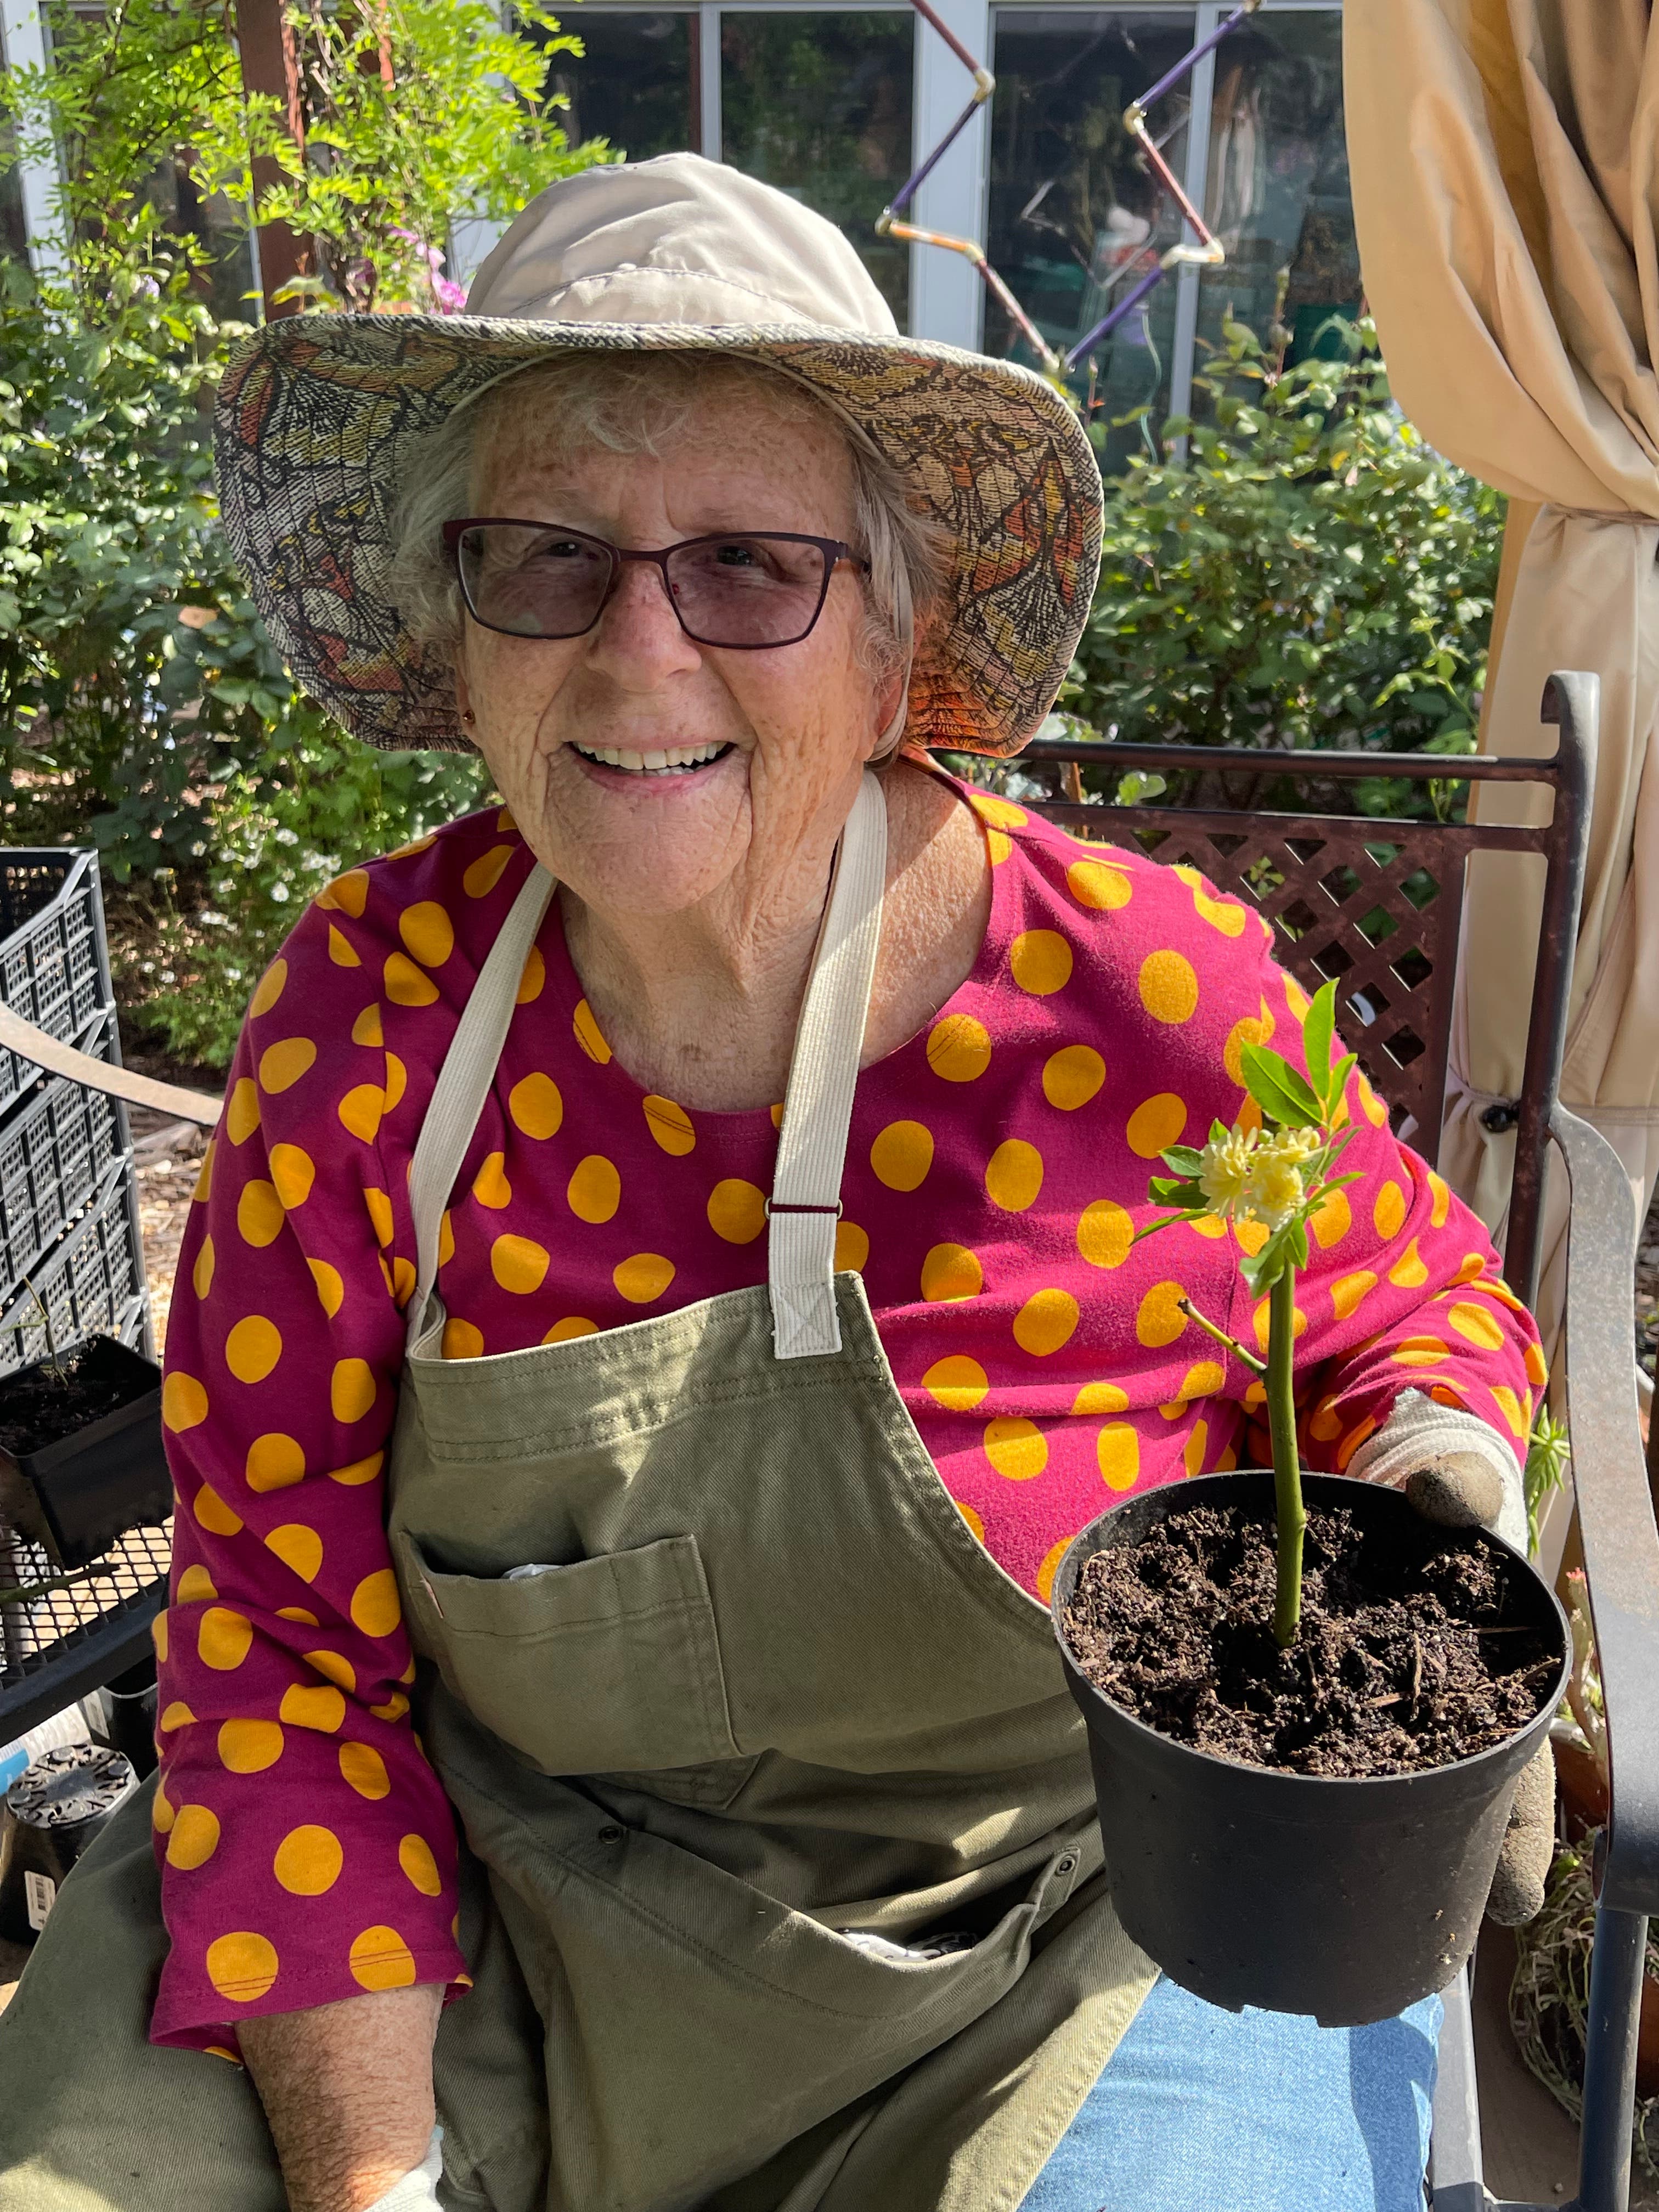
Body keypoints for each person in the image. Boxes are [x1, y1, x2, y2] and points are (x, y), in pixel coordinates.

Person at [0, 154, 1551, 2212]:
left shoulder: (1134, 991)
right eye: (546, 558)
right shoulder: (369, 1013)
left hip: (1057, 1924)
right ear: (456, 629)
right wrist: (371, 2174)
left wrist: (1436, 1471)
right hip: (488, 1896)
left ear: (893, 633)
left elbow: (1391, 1297)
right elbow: (275, 1640)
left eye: (749, 566)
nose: (642, 654)